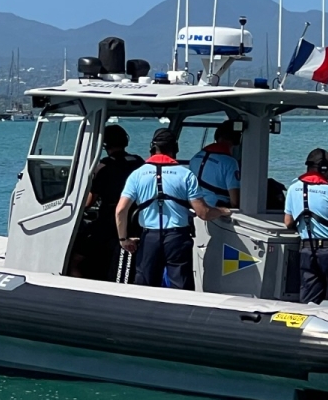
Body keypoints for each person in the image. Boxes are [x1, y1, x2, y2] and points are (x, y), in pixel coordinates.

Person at [115, 128, 229, 290]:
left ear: (152, 148)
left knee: (144, 288)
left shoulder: (137, 174)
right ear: (175, 148)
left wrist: (123, 240)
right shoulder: (186, 175)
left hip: (149, 238)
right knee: (181, 287)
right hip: (177, 238)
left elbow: (120, 211)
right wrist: (223, 211)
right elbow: (203, 213)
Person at [77, 125, 144, 281]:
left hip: (108, 223)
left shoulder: (103, 167)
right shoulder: (138, 163)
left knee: (76, 260)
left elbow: (88, 202)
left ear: (104, 144)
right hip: (135, 222)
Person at [284, 148, 328, 304]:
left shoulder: (293, 188)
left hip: (307, 250)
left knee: (309, 298)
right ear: (324, 168)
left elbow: (288, 222)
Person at [188, 119, 242, 208]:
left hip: (195, 207)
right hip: (217, 212)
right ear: (236, 139)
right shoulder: (230, 163)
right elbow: (235, 202)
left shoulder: (195, 157)